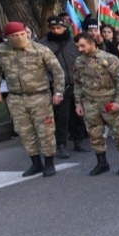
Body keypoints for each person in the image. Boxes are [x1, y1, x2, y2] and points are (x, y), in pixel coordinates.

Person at [0, 22, 65, 177]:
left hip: (40, 97)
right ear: (7, 37)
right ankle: (36, 163)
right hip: (16, 98)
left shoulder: (40, 49)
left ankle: (49, 163)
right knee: (25, 132)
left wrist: (58, 92)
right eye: (15, 36)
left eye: (22, 34)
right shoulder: (0, 51)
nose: (19, 38)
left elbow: (57, 71)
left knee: (46, 131)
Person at [72, 33, 119, 176]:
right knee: (94, 134)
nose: (79, 49)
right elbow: (78, 83)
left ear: (92, 44)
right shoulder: (79, 61)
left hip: (109, 101)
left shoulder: (109, 59)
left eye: (82, 46)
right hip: (90, 103)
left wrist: (118, 102)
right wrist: (78, 103)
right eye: (77, 47)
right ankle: (102, 163)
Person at [38, 16, 88, 158]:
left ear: (65, 27)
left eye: (59, 28)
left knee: (79, 115)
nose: (56, 31)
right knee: (61, 117)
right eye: (53, 28)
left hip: (77, 83)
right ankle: (61, 145)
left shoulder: (74, 42)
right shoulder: (43, 45)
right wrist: (51, 82)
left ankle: (78, 141)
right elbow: (42, 67)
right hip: (59, 86)